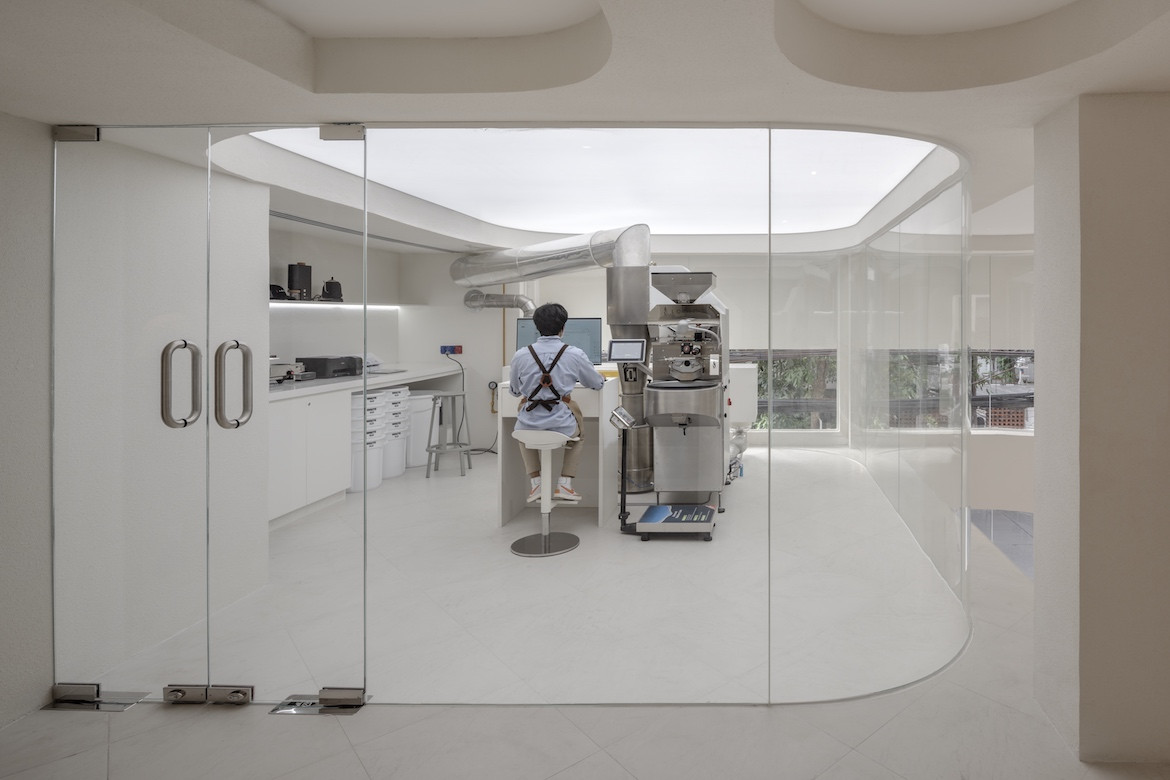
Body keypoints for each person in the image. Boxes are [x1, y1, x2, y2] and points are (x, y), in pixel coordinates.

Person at [509, 303, 605, 503]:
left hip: (528, 425)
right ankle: (565, 484)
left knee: (522, 431)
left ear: (537, 327)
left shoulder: (520, 355)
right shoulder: (575, 354)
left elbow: (514, 391)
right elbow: (596, 383)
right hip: (561, 425)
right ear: (563, 328)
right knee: (579, 433)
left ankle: (536, 484)